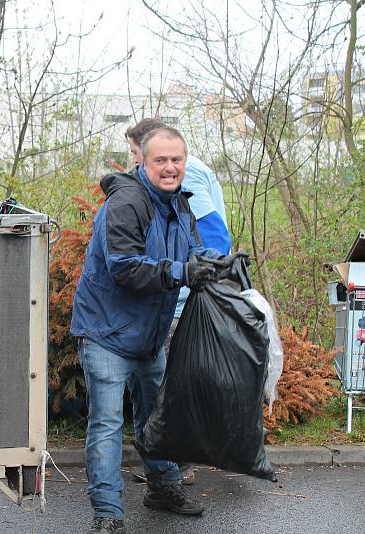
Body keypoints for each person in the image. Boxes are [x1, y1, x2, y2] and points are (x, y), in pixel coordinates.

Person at [70, 127, 228, 534]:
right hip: (107, 332)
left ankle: (163, 489)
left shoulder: (179, 203)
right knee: (107, 424)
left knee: (156, 416)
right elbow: (125, 268)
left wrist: (217, 262)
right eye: (161, 160)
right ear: (143, 160)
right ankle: (107, 514)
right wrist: (183, 272)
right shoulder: (126, 204)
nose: (171, 167)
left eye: (177, 160)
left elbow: (191, 250)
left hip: (149, 333)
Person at [125, 118, 233, 485]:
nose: (134, 163)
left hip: (181, 297)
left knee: (170, 386)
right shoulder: (179, 173)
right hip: (176, 291)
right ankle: (165, 465)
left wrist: (194, 274)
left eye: (135, 154)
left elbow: (215, 234)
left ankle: (177, 466)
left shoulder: (187, 177)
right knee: (164, 386)